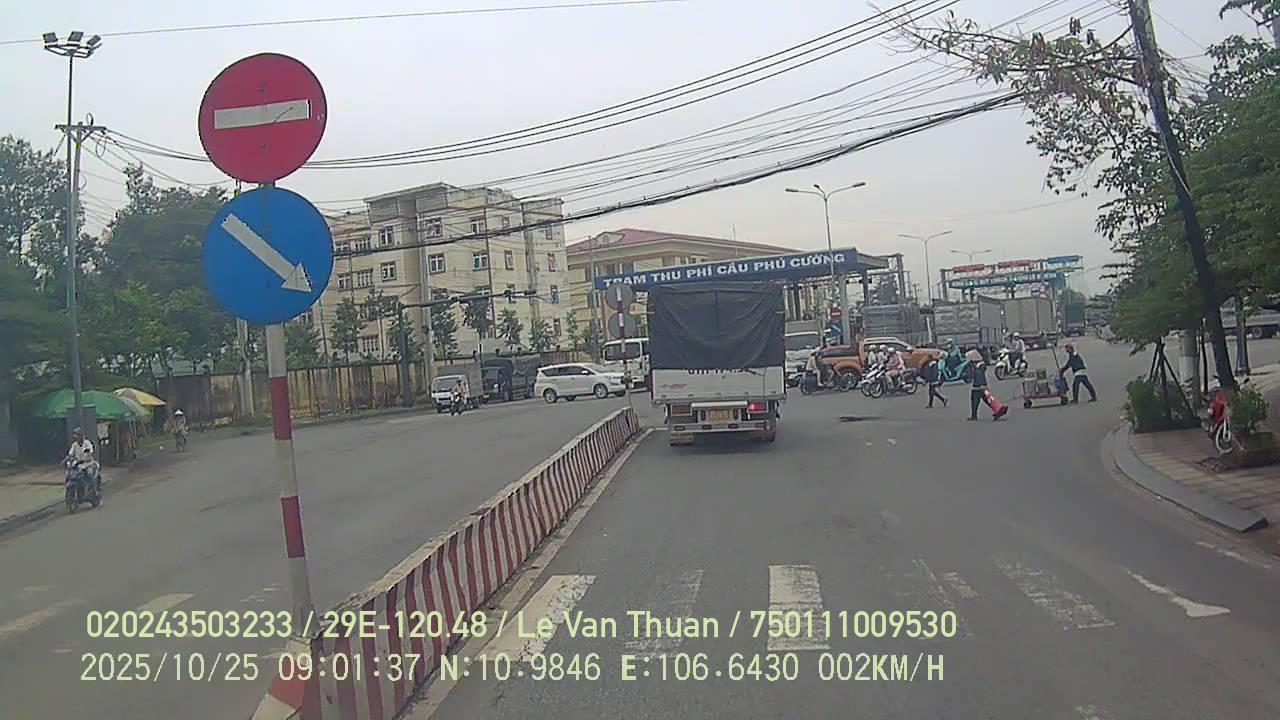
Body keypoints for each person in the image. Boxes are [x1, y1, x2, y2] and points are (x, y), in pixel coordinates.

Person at [968, 352, 989, 420]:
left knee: (977, 400)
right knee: (976, 400)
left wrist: (981, 385)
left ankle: (974, 415)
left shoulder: (980, 365)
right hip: (977, 386)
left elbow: (979, 375)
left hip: (979, 386)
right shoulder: (976, 365)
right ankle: (973, 415)